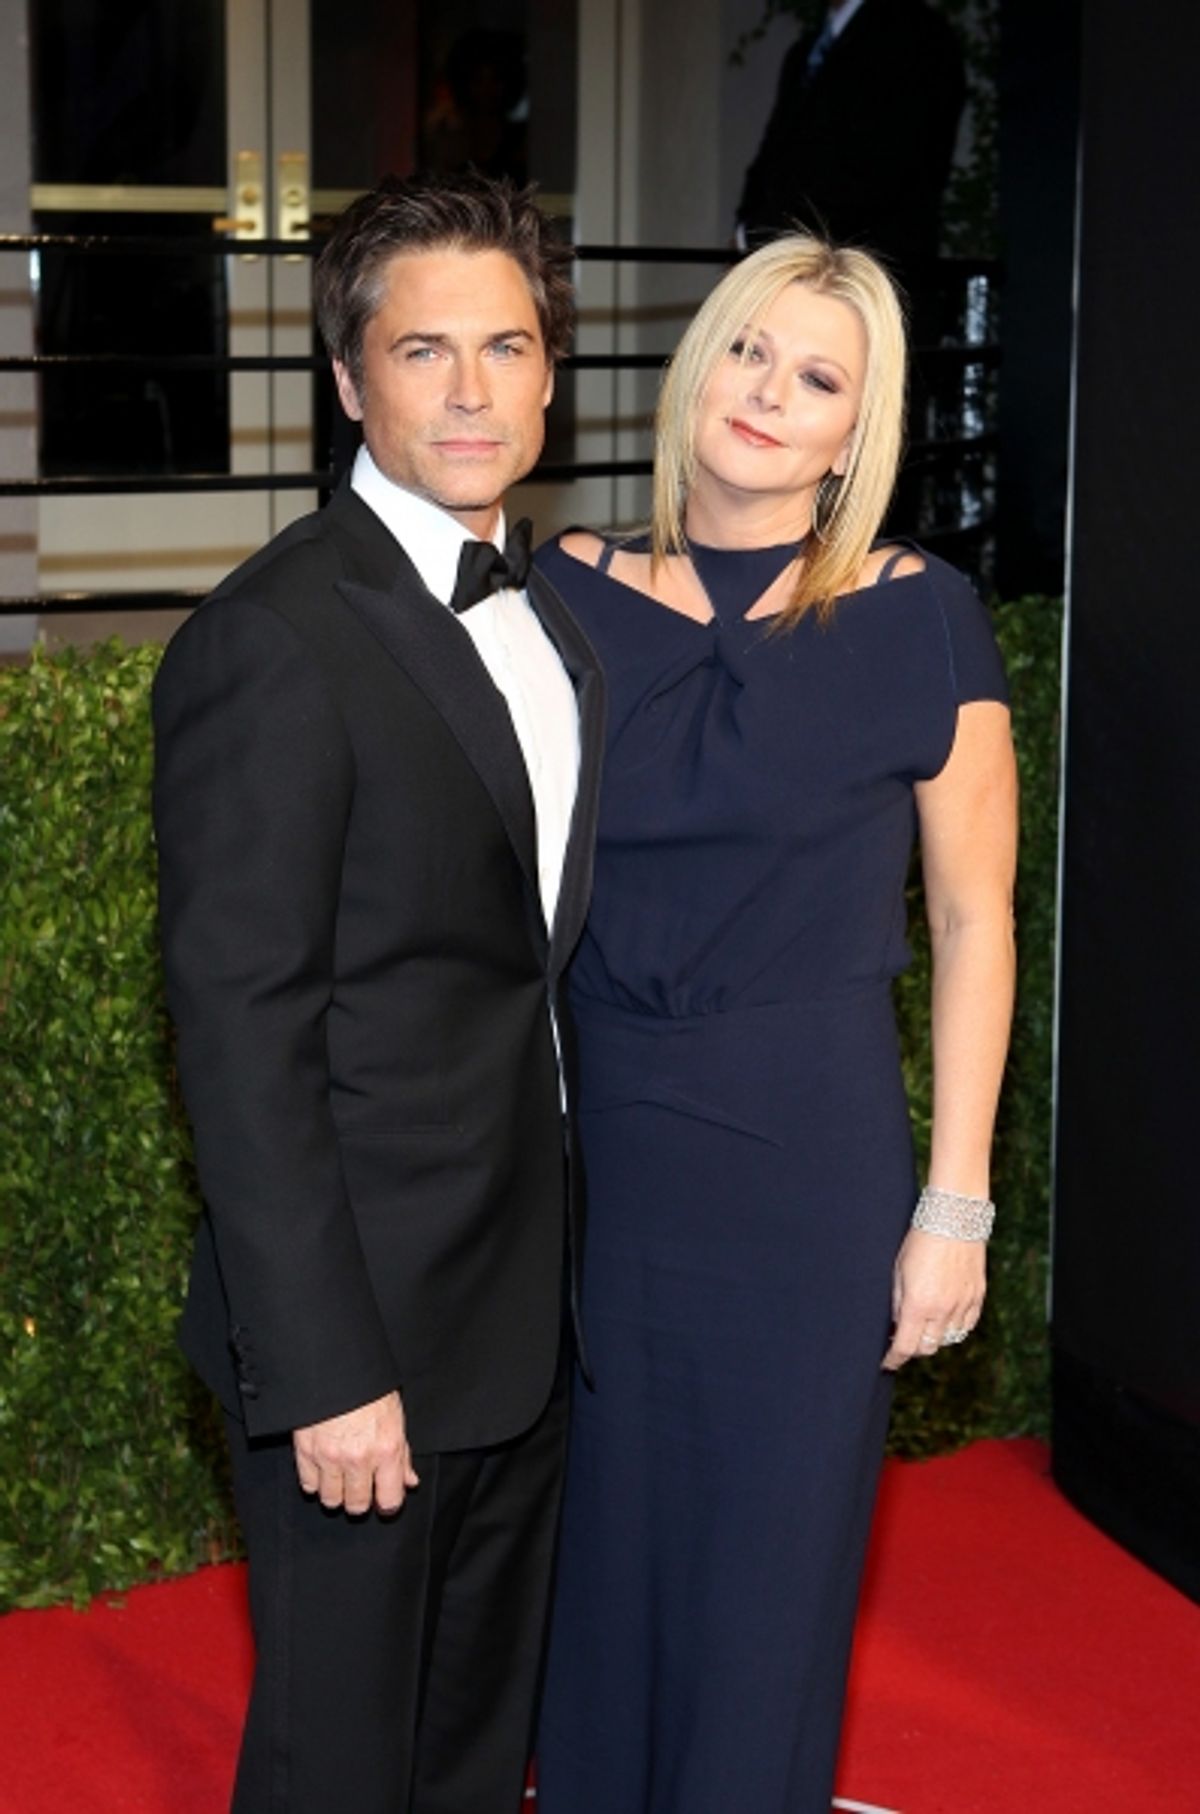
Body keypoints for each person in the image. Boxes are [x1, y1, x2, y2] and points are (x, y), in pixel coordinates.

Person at [532, 233, 1017, 1813]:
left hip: (808, 1168)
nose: (766, 392)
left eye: (817, 378)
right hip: (602, 1165)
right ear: (699, 363)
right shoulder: (561, 590)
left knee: (768, 1583)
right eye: (748, 349)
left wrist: (956, 1201)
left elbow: (974, 922)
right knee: (602, 1564)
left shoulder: (923, 617)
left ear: (855, 431)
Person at [152, 172, 604, 1814]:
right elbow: (242, 1036)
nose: (473, 391)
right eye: (425, 350)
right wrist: (327, 1365)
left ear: (551, 373)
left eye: (508, 346)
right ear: (350, 379)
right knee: (338, 1766)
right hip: (366, 1336)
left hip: (525, 1313)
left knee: (475, 1757)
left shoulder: (559, 620)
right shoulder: (273, 640)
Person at [737, 0, 966, 298]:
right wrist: (747, 231)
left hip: (869, 279)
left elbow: (881, 170)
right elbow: (772, 156)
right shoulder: (803, 53)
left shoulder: (916, 35)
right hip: (793, 272)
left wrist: (764, 236)